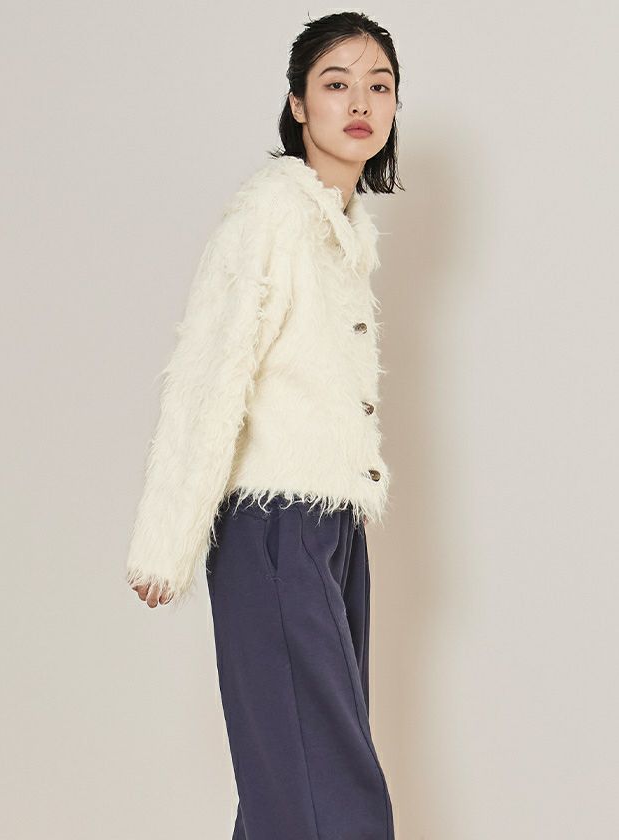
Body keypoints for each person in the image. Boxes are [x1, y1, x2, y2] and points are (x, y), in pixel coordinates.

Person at [126, 11, 404, 839]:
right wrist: (166, 540)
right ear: (298, 104)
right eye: (336, 84)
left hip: (333, 530)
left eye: (380, 86)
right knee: (330, 794)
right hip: (275, 530)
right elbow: (210, 370)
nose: (361, 102)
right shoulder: (271, 215)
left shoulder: (340, 228)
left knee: (292, 784)